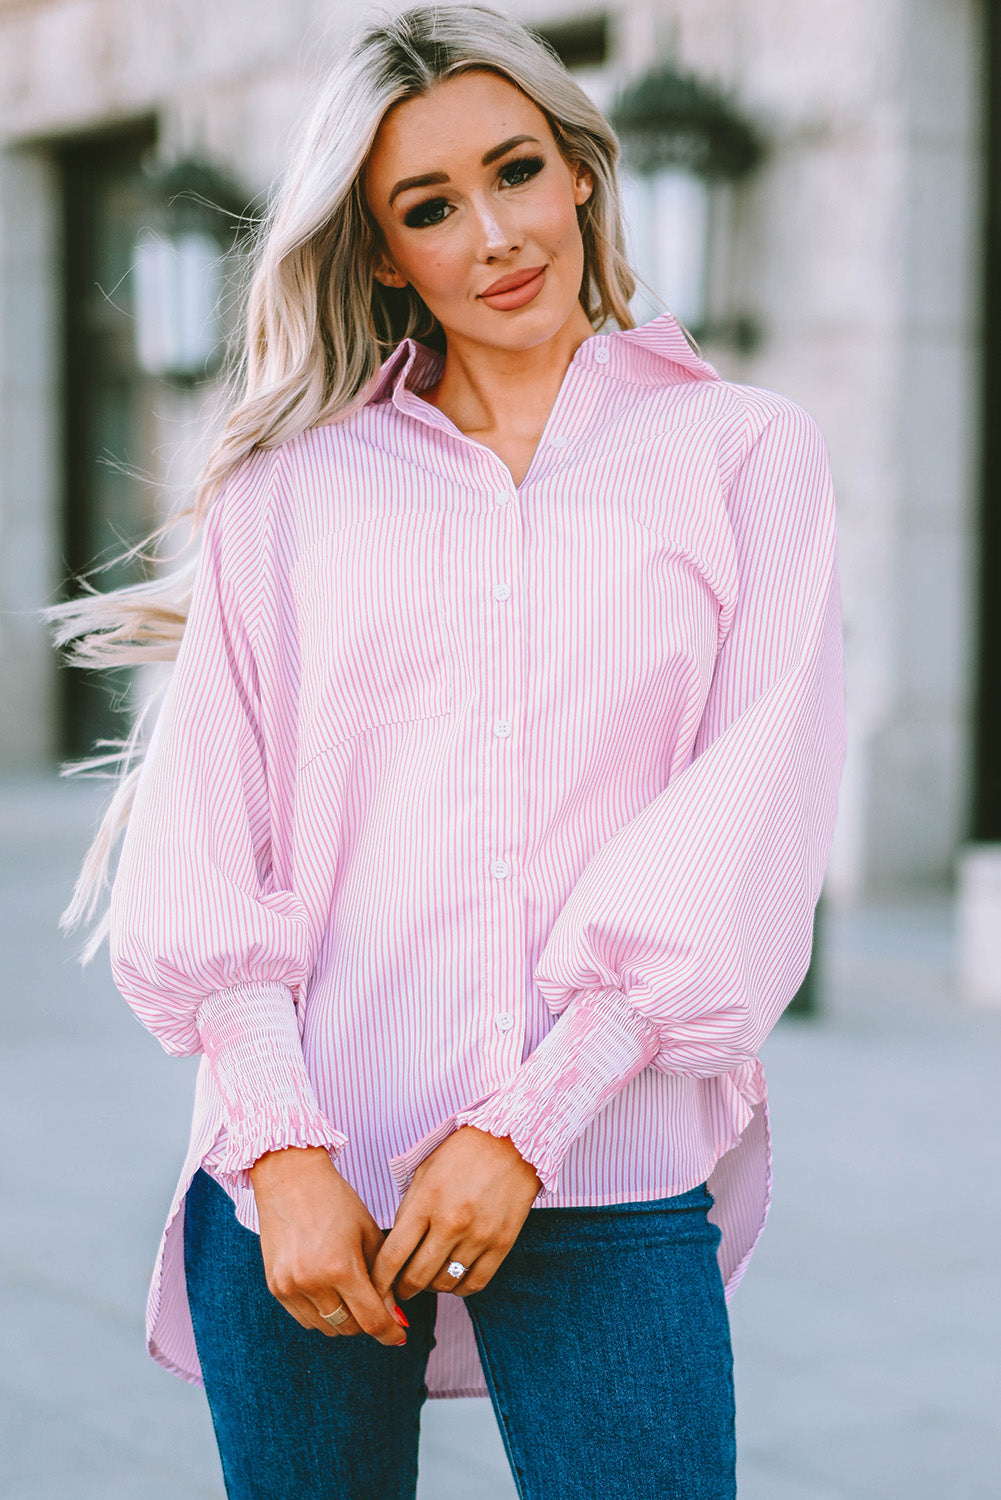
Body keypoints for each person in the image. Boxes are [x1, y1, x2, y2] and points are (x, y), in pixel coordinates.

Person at [51, 5, 846, 1497]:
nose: (494, 233)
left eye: (518, 171)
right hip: (305, 1184)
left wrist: (523, 1128)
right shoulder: (284, 493)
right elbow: (213, 844)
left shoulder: (743, 456)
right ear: (374, 251)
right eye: (429, 206)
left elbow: (747, 816)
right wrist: (280, 1150)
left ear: (582, 176)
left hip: (602, 1170)